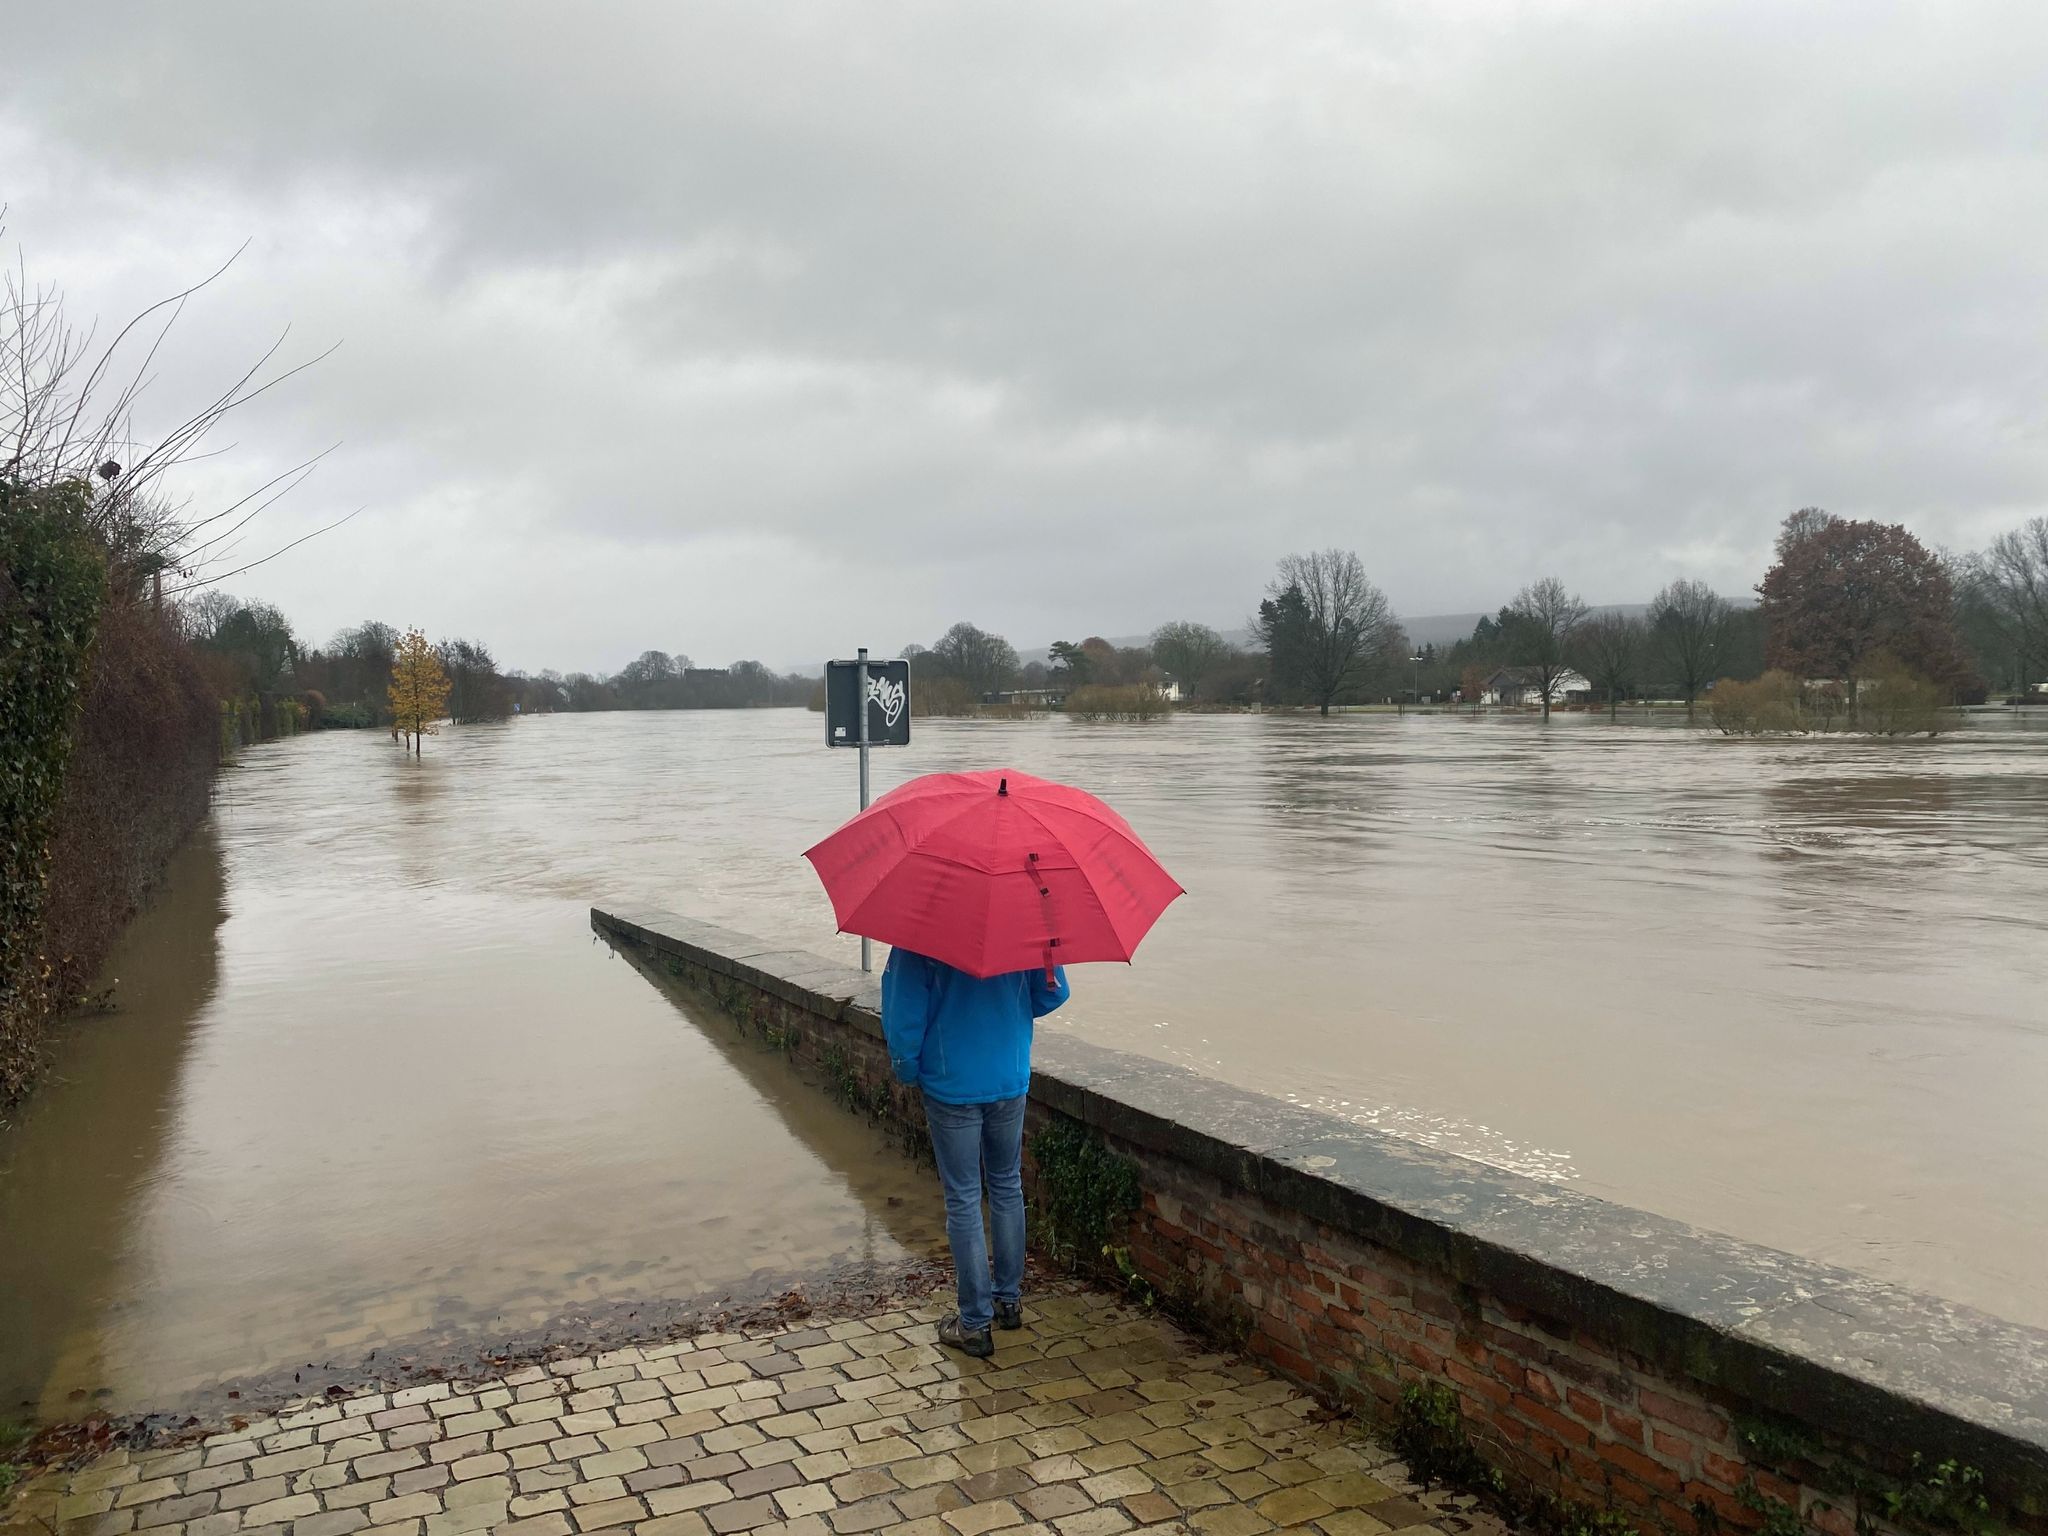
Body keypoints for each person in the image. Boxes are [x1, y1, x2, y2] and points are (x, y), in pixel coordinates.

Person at [882, 947, 1070, 1358]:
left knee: (964, 1198)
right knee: (1007, 1186)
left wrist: (907, 1070)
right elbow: (1053, 993)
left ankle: (973, 1324)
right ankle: (1008, 1300)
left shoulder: (921, 934)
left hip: (951, 1083)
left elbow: (903, 1014)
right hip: (1008, 1074)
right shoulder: (1022, 922)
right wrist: (1006, 1016)